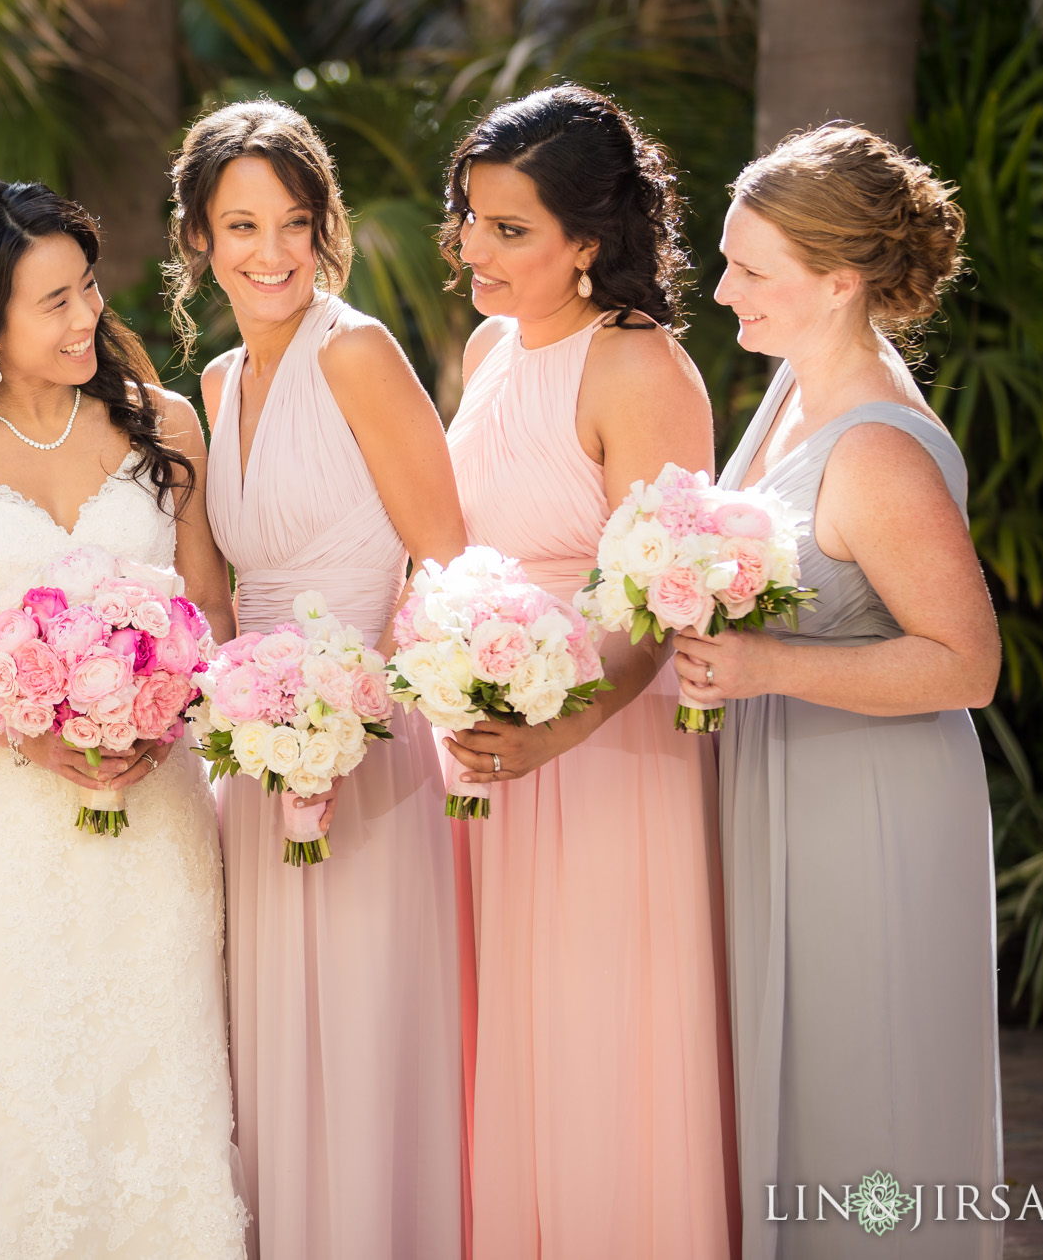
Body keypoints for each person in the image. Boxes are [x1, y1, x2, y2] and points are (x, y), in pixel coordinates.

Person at [0, 178, 248, 1257]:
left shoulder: (161, 423)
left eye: (86, 289)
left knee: (162, 1087)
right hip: (10, 829)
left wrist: (161, 715)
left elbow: (207, 606)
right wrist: (28, 734)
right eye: (52, 302)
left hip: (158, 815)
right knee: (23, 1098)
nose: (86, 316)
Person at [675, 124, 1001, 1260]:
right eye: (727, 260)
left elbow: (965, 662)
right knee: (802, 1089)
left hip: (867, 808)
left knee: (867, 1090)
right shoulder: (784, 399)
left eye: (751, 271)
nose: (722, 292)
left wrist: (759, 665)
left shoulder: (876, 451)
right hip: (786, 780)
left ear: (839, 280)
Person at [438, 84, 735, 1259]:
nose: (473, 245)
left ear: (588, 244)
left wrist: (559, 729)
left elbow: (661, 597)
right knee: (508, 1038)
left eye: (510, 229)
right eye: (469, 216)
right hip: (489, 738)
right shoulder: (487, 346)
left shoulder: (638, 371)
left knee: (599, 1037)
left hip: (605, 752)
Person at [172, 100, 466, 1259]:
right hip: (253, 748)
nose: (270, 253)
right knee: (272, 1031)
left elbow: (441, 553)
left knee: (358, 1017)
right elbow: (222, 588)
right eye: (240, 226)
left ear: (323, 226)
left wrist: (352, 710)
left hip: (368, 739)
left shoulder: (356, 351)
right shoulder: (214, 382)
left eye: (293, 223)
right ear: (197, 237)